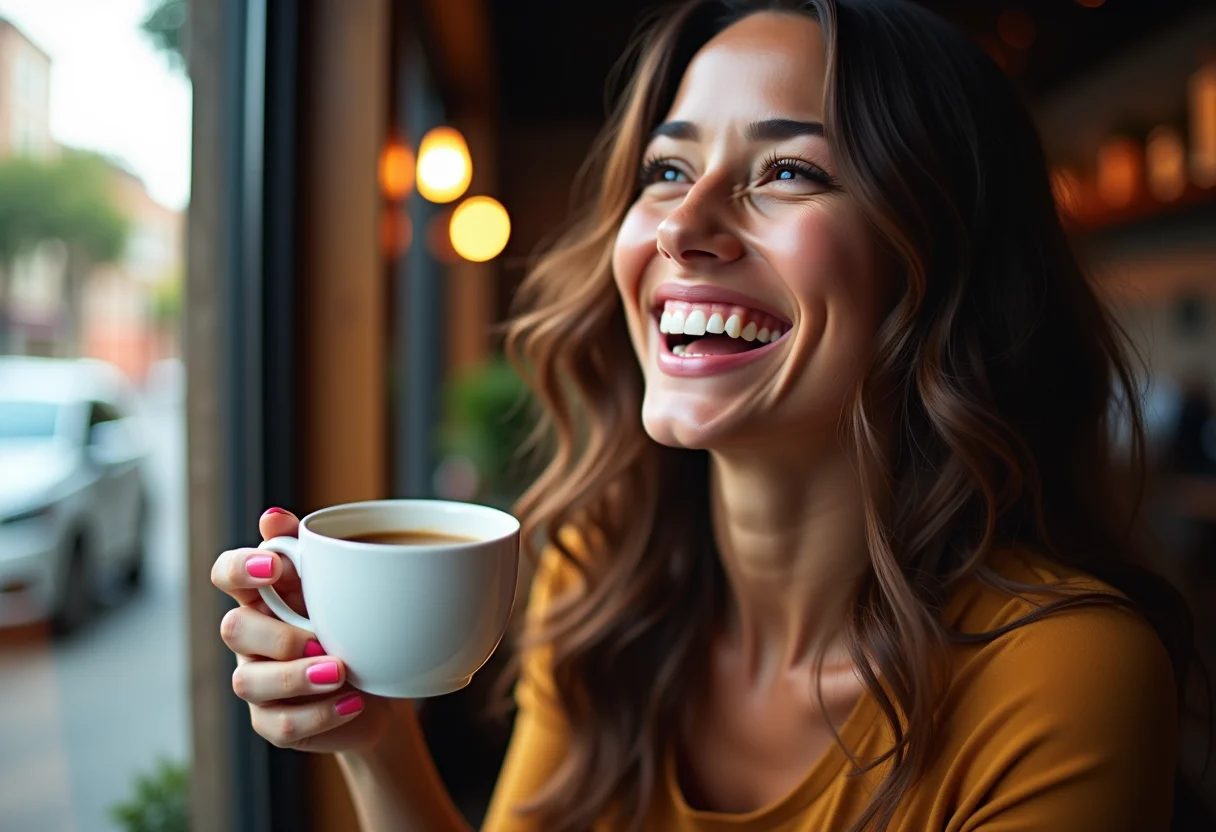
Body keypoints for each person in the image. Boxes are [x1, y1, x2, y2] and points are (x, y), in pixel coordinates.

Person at [211, 1, 1197, 830]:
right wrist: (374, 741)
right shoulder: (600, 579)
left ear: (940, 265)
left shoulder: (1066, 677)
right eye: (667, 171)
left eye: (788, 172)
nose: (681, 226)